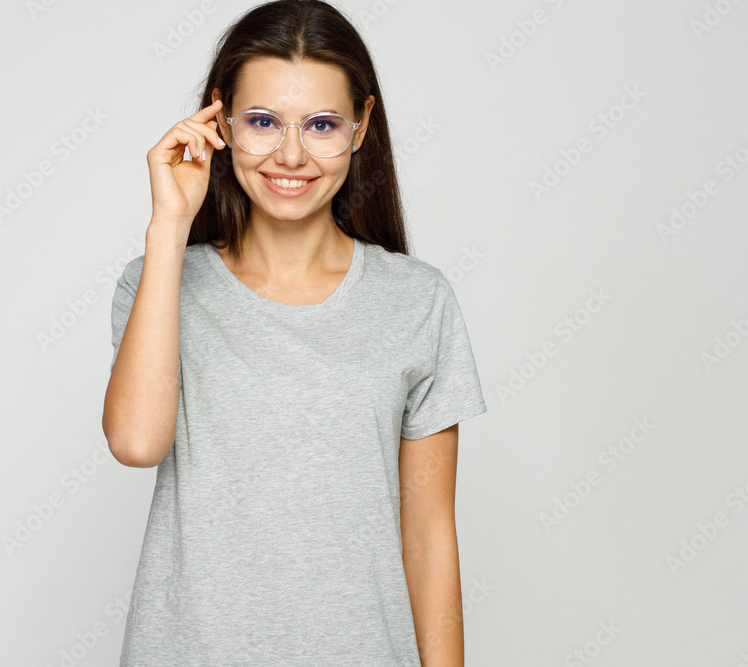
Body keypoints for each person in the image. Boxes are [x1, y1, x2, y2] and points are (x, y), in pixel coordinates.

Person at [101, 1, 487, 664]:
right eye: (261, 121)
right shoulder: (157, 282)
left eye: (322, 124)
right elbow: (137, 442)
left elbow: (429, 538)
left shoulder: (417, 301)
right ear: (219, 120)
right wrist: (168, 228)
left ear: (362, 124)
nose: (290, 153)